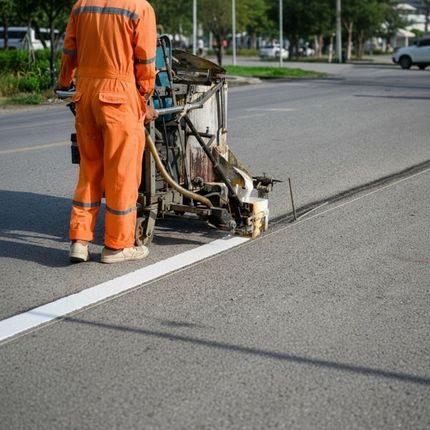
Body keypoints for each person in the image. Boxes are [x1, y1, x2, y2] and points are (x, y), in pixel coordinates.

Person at [56, 0, 158, 264]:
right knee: (121, 174)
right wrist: (145, 98)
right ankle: (116, 246)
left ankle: (79, 241)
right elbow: (145, 59)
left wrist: (64, 82)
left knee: (89, 169)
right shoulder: (139, 7)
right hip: (119, 96)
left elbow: (70, 49)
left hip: (85, 95)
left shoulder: (81, 5)